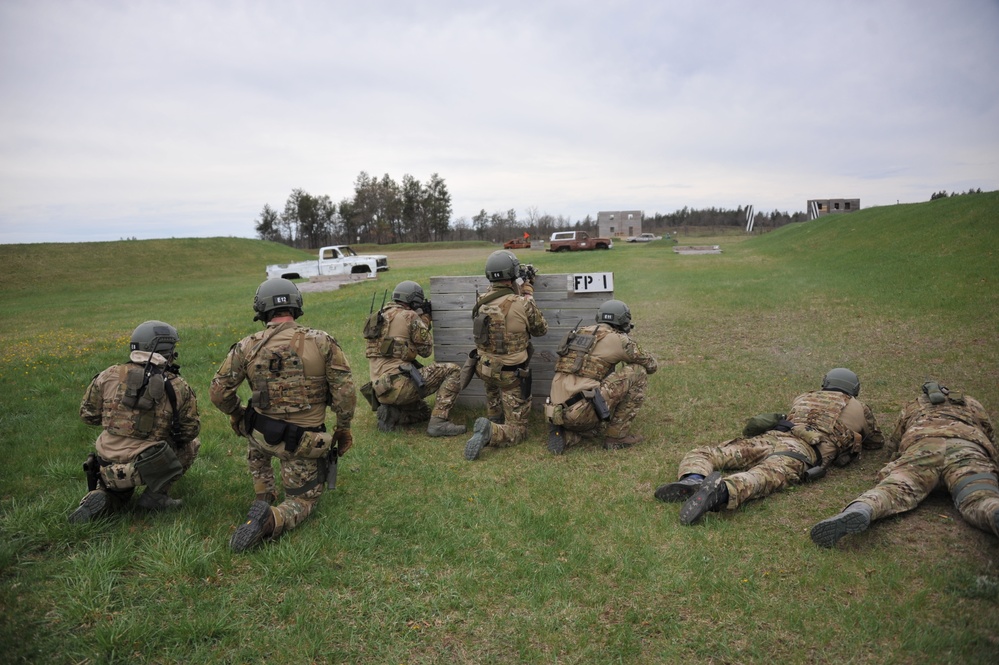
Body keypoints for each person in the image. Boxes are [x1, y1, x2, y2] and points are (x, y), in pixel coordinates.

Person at [210, 278, 356, 553]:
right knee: (304, 501)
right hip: (302, 444)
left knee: (250, 425)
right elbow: (344, 394)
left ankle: (263, 491)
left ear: (261, 310)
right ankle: (271, 518)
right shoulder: (322, 342)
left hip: (261, 436)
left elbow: (218, 392)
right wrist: (343, 427)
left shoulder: (246, 346)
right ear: (296, 305)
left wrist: (236, 413)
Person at [655, 368, 884, 525]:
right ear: (854, 389)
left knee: (710, 453)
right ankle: (721, 492)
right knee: (764, 476)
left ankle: (693, 478)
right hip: (801, 451)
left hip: (773, 436)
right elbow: (875, 442)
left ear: (825, 384)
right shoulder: (860, 407)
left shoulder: (805, 396)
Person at [811, 382, 998, 547]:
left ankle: (863, 508)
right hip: (966, 449)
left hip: (922, 448)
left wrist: (898, 462)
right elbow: (989, 435)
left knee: (891, 490)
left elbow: (894, 443)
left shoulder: (914, 406)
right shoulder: (971, 403)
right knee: (979, 496)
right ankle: (993, 511)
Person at [70, 321, 201, 522]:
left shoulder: (108, 375)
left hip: (107, 462)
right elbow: (188, 431)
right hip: (146, 466)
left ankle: (104, 495)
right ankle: (156, 496)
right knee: (191, 445)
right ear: (165, 349)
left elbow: (88, 416)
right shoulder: (177, 385)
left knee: (118, 496)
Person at [463, 250, 548, 460]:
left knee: (492, 388)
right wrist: (528, 293)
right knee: (519, 431)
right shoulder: (523, 303)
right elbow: (540, 330)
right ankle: (491, 432)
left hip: (484, 369)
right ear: (513, 275)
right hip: (510, 376)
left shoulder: (481, 300)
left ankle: (494, 417)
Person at [544, 299, 658, 454]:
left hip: (555, 411)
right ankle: (616, 437)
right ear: (623, 320)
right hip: (581, 413)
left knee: (589, 384)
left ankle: (568, 435)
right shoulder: (618, 340)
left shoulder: (577, 333)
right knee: (638, 372)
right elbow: (651, 365)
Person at [362, 280, 465, 437]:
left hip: (379, 390)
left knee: (423, 412)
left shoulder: (378, 317)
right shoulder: (409, 316)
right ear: (414, 301)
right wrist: (424, 320)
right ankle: (439, 423)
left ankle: (393, 414)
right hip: (400, 386)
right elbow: (426, 350)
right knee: (454, 371)